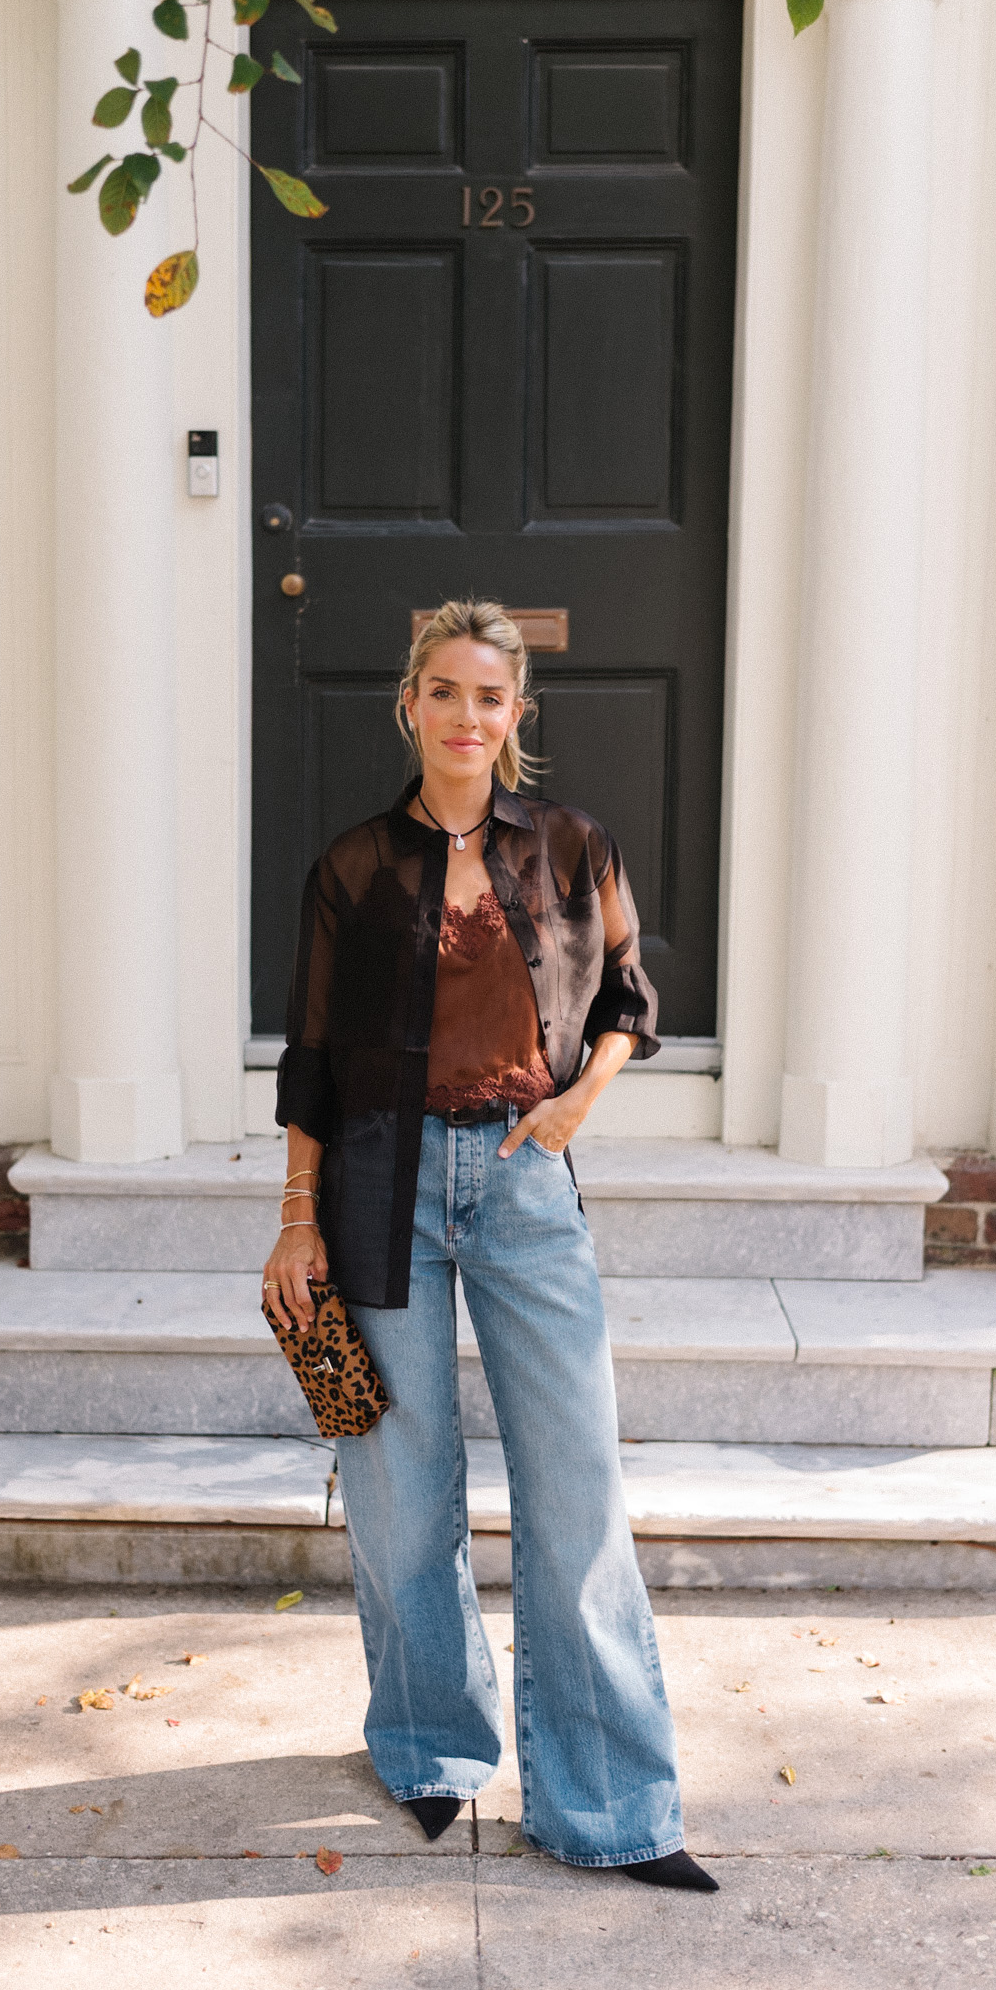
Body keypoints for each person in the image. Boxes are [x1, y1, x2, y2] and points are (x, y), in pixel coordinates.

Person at [263, 598, 716, 1892]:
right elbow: (309, 1063)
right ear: (410, 705)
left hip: (523, 1181)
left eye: (491, 695)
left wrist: (580, 1099)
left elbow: (627, 995)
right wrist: (297, 1220)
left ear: (518, 716)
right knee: (403, 1494)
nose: (468, 716)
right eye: (446, 692)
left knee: (576, 1492)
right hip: (377, 1183)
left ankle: (613, 1808)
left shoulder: (573, 849)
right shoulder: (350, 868)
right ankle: (427, 1753)